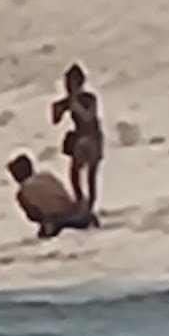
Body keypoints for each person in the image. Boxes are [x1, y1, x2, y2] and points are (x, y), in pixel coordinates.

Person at [50, 63, 104, 220]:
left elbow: (88, 117)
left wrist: (74, 104)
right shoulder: (70, 101)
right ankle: (81, 201)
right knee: (75, 173)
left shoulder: (88, 99)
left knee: (90, 175)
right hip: (82, 137)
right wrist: (60, 108)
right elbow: (55, 119)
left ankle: (89, 205)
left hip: (91, 137)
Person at [6, 152, 97, 239]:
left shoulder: (22, 192)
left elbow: (33, 215)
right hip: (75, 212)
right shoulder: (47, 176)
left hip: (56, 222)